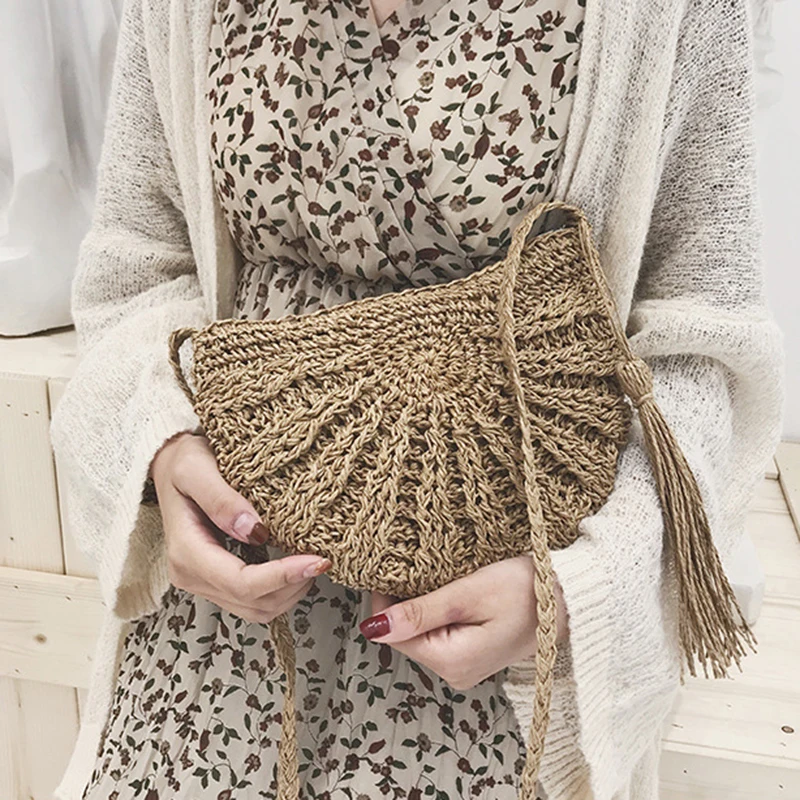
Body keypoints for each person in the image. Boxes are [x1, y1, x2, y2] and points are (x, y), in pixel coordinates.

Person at [50, 0, 785, 798]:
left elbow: (701, 340)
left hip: (497, 642)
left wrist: (578, 591)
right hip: (224, 613)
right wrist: (161, 447)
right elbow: (138, 259)